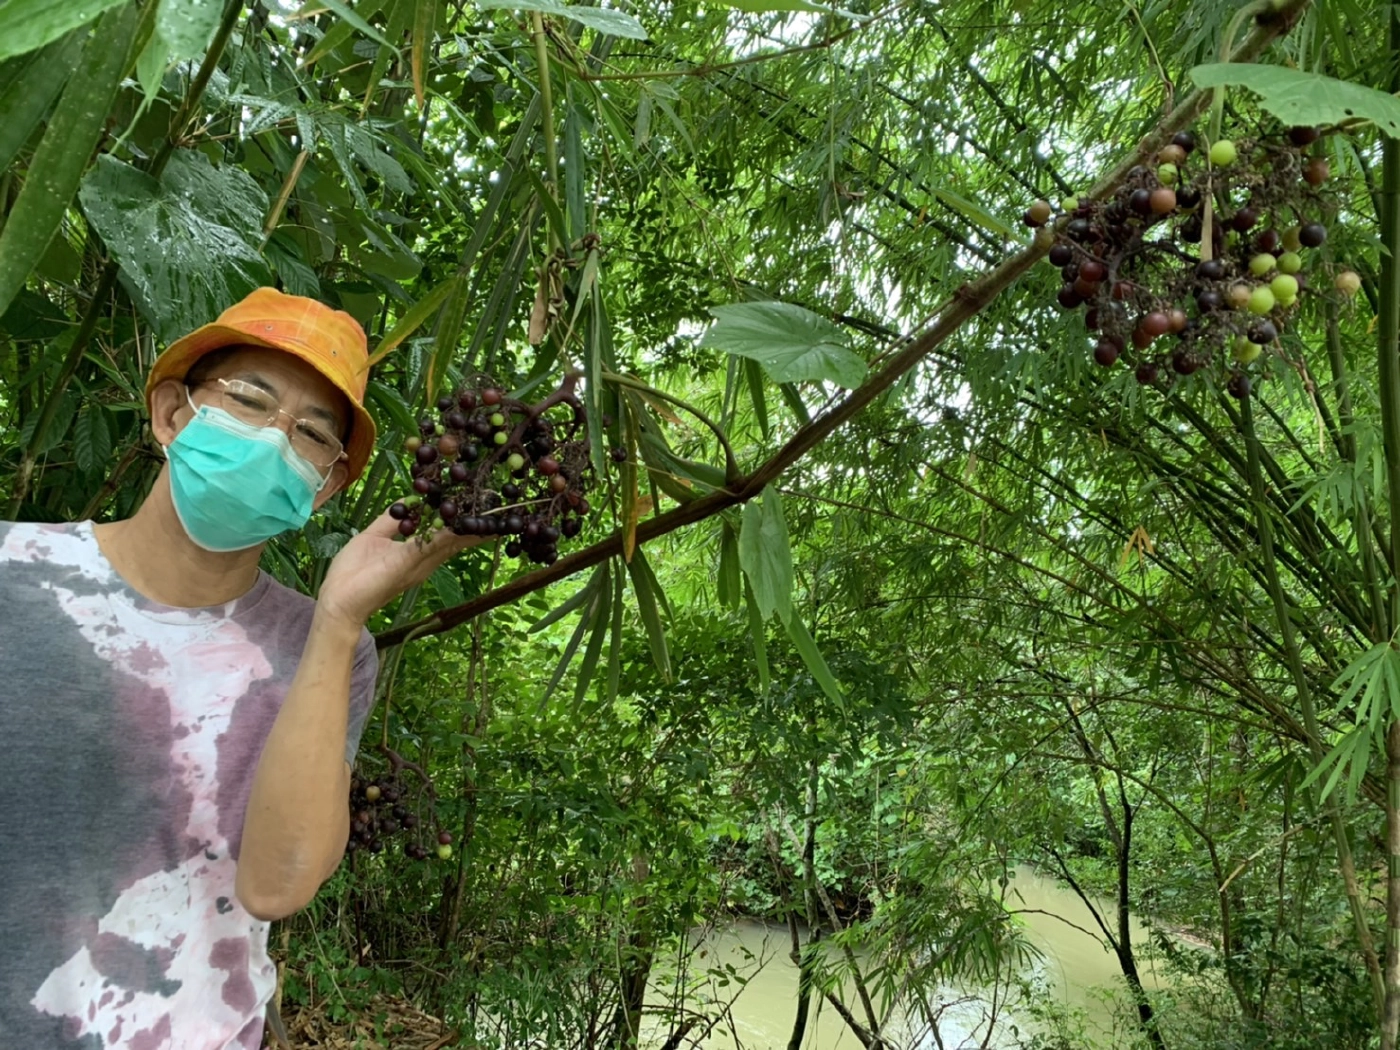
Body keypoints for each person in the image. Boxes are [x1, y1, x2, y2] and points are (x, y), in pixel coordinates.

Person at [0, 288, 482, 1048]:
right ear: (171, 415)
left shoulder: (329, 649)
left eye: (310, 436)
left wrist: (338, 617)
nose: (272, 441)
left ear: (322, 490)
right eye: (250, 399)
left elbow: (277, 885)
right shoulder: (13, 571)